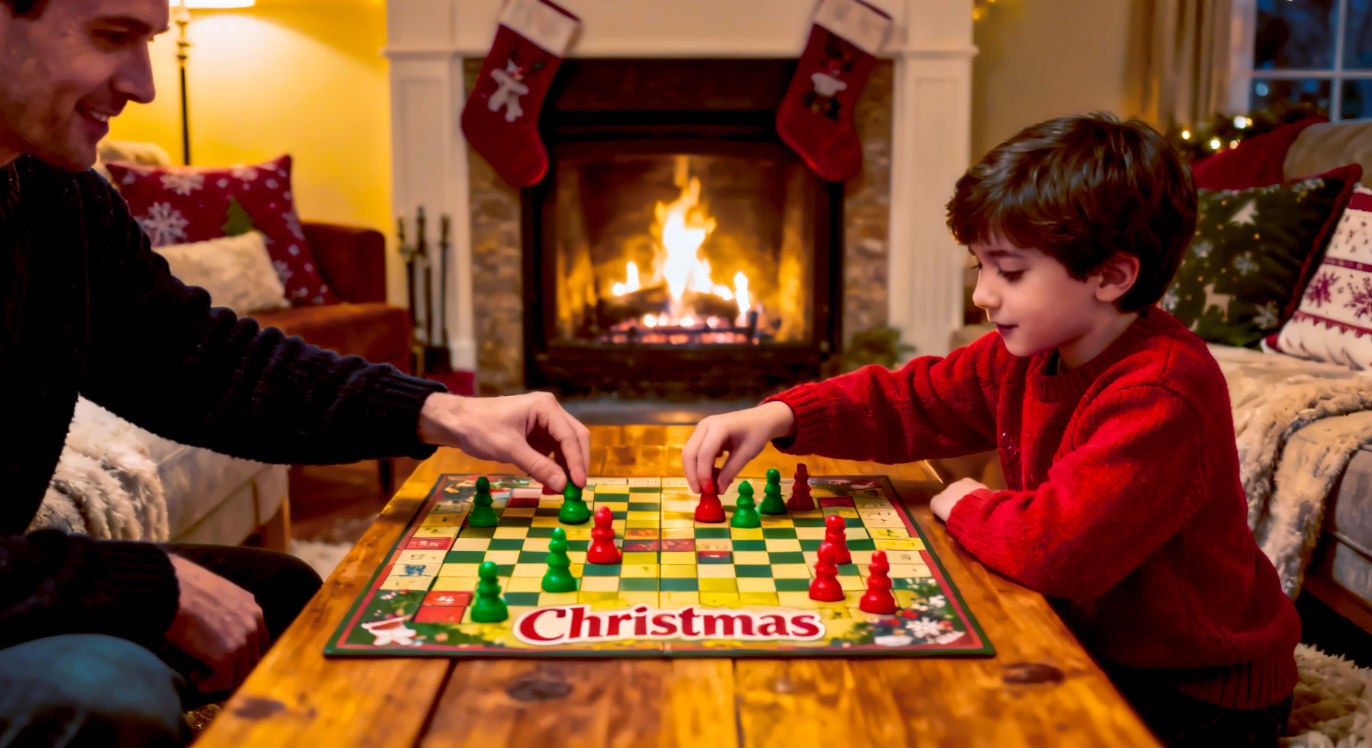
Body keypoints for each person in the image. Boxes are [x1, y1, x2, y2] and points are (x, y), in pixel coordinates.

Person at [0, 0, 590, 744]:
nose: (144, 85)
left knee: (280, 592)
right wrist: (146, 586)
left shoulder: (56, 193)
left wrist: (441, 412)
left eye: (150, 42)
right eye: (112, 36)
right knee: (108, 693)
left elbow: (200, 360)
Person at [683, 112, 1299, 746]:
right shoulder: (1027, 354)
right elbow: (911, 399)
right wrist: (782, 414)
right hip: (1102, 647)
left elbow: (1057, 551)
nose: (982, 295)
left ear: (1111, 276)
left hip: (1197, 690)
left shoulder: (1160, 392)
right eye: (979, 266)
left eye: (1009, 272)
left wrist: (967, 502)